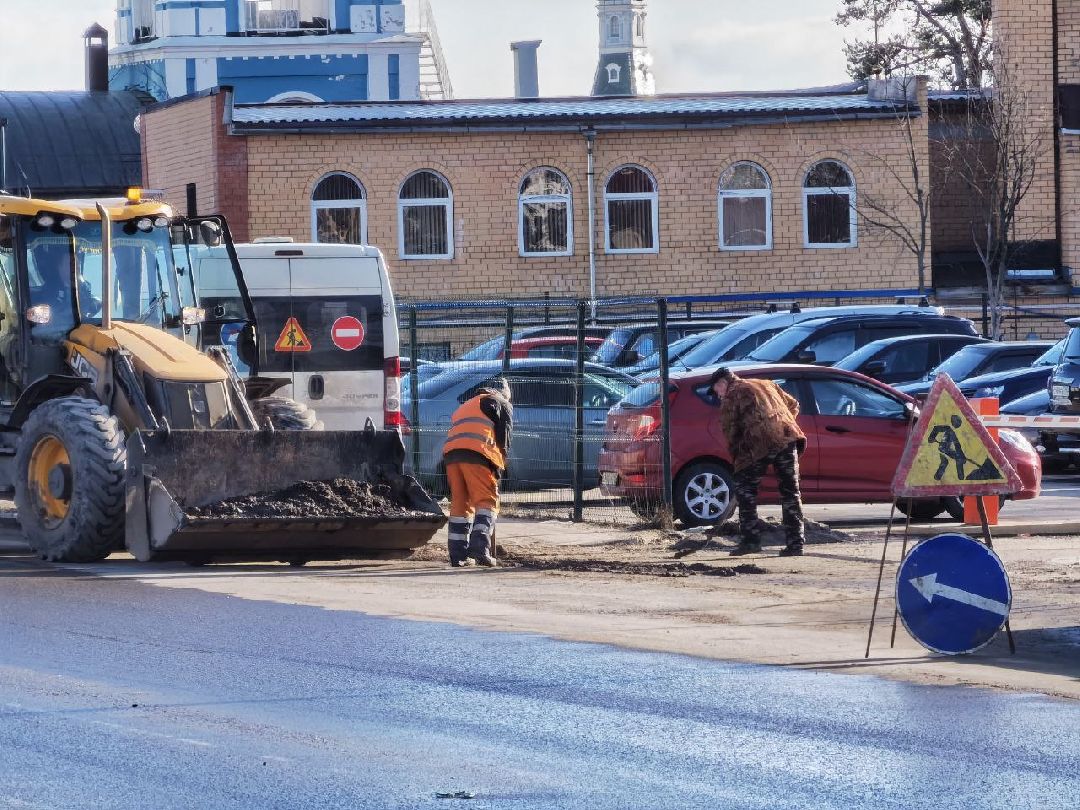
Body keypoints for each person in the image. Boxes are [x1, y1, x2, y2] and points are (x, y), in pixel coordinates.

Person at [708, 366, 807, 557]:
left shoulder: (732, 395)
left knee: (745, 492)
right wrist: (777, 425)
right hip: (788, 439)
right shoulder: (767, 384)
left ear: (723, 383)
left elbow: (731, 432)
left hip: (759, 445)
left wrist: (738, 461)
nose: (718, 395)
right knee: (791, 493)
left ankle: (751, 541)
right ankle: (796, 544)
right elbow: (793, 405)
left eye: (716, 390)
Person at [442, 378, 513, 567]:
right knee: (487, 502)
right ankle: (480, 550)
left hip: (452, 455)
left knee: (460, 505)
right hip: (478, 453)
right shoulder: (500, 402)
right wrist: (498, 469)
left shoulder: (468, 404)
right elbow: (504, 439)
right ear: (503, 394)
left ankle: (458, 555)